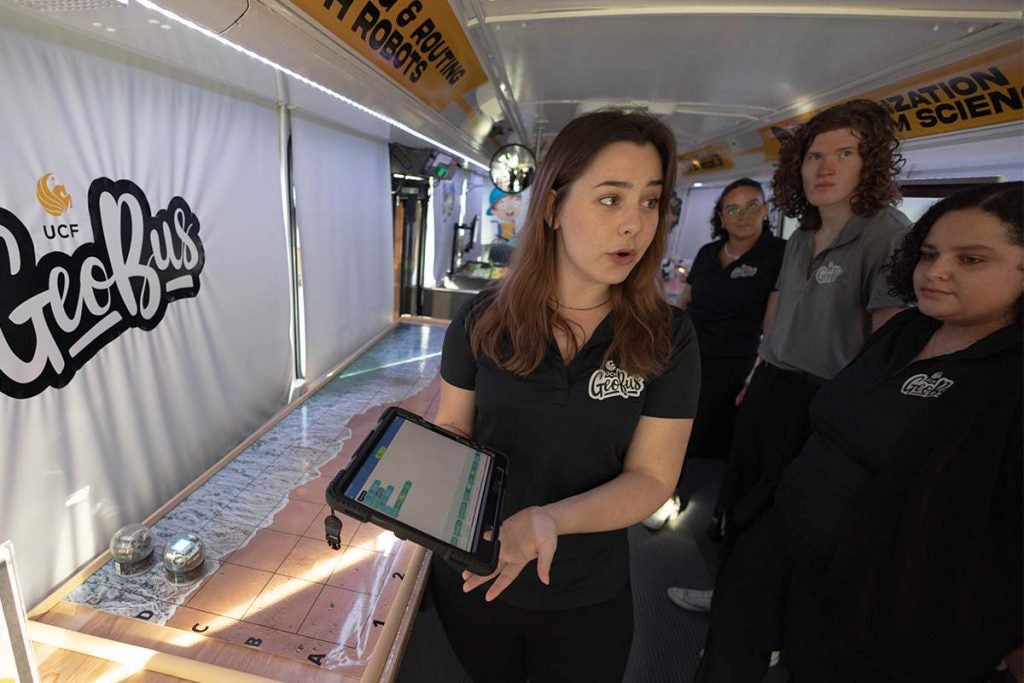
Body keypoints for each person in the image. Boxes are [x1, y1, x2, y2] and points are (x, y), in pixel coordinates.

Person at [695, 181, 1023, 682]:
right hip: (784, 532)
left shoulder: (1008, 377)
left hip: (873, 588)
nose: (936, 271)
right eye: (929, 253)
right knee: (730, 652)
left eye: (972, 259)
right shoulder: (904, 331)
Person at [429, 109, 701, 682]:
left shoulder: (667, 334)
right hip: (477, 575)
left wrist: (552, 517)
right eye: (610, 199)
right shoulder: (481, 319)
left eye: (651, 202)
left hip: (587, 593)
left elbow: (652, 479)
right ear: (552, 207)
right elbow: (454, 429)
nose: (634, 224)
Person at [669, 99, 912, 614]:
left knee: (791, 514)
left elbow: (887, 345)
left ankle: (769, 620)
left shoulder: (886, 236)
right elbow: (782, 321)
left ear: (870, 163)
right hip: (772, 383)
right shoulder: (800, 236)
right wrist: (757, 372)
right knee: (743, 496)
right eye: (814, 156)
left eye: (844, 153)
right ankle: (732, 599)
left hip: (827, 398)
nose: (825, 168)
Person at [644, 178, 784, 531]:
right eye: (732, 209)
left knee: (693, 427)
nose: (742, 215)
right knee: (662, 415)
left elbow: (773, 321)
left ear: (766, 209)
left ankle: (668, 494)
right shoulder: (709, 253)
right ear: (721, 217)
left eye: (752, 205)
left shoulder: (778, 255)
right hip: (688, 350)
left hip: (732, 360)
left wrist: (758, 371)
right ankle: (652, 486)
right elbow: (685, 301)